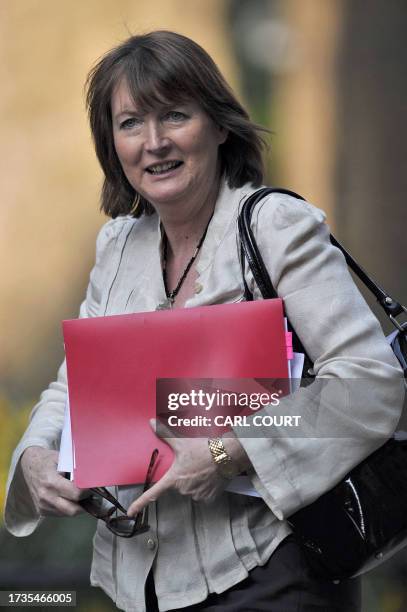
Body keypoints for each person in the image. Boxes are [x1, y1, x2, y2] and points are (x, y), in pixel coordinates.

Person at [4, 31, 404, 612]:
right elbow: (72, 389)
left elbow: (368, 380)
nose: (155, 142)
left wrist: (226, 451)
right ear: (110, 143)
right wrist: (36, 456)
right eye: (131, 123)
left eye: (175, 115)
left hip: (274, 572)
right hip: (141, 585)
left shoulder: (275, 227)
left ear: (218, 125)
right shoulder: (117, 248)